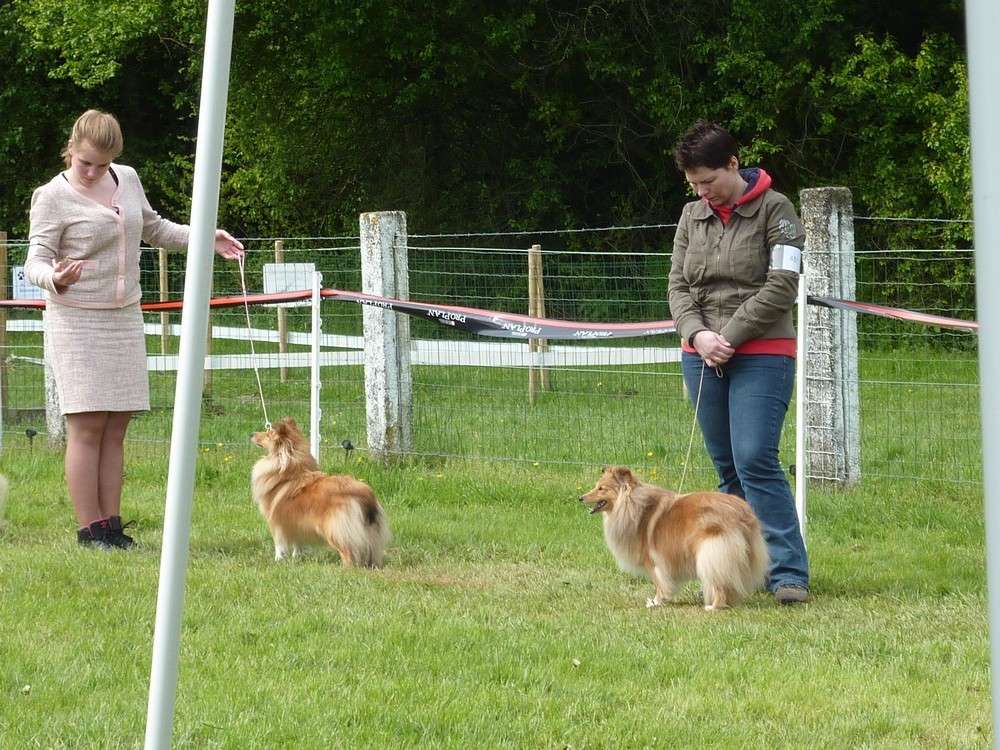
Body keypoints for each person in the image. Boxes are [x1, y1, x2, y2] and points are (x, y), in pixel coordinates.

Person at [25, 109, 244, 549]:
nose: (92, 171)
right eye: (85, 162)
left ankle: (112, 525)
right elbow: (35, 260)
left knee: (117, 425)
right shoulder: (51, 196)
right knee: (87, 425)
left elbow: (155, 228)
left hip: (124, 316)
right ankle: (90, 530)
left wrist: (206, 237)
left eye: (102, 164)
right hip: (77, 319)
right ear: (71, 148)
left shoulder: (127, 178)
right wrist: (55, 277)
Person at [667, 120, 810, 604]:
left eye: (708, 181)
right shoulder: (691, 216)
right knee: (726, 466)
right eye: (694, 185)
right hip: (701, 354)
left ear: (733, 164)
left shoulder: (779, 211)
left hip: (763, 352)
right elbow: (677, 286)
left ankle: (788, 571)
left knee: (754, 459)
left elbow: (783, 284)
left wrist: (728, 334)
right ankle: (737, 572)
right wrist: (698, 334)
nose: (702, 192)